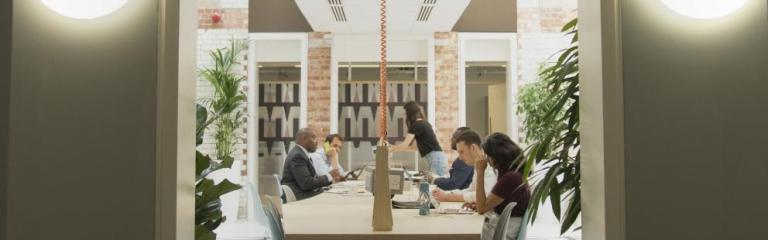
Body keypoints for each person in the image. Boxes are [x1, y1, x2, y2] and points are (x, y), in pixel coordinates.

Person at [456, 131, 530, 239]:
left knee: (461, 231)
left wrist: (480, 172)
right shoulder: (513, 174)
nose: (487, 160)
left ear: (497, 155)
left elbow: (482, 208)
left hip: (504, 232)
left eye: (488, 156)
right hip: (503, 228)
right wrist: (480, 205)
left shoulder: (511, 178)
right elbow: (487, 204)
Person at [431, 128, 497, 203]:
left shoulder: (489, 165)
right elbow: (470, 190)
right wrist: (446, 194)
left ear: (473, 148)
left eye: (461, 152)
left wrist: (447, 197)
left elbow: (484, 195)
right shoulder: (477, 165)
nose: (460, 158)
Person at [281, 128, 342, 202]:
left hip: (305, 193)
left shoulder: (301, 154)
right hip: (301, 197)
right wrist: (330, 175)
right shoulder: (298, 156)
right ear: (304, 139)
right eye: (314, 138)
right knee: (335, 198)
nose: (317, 142)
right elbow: (306, 183)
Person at [389, 101, 448, 177]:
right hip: (438, 159)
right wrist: (394, 148)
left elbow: (405, 144)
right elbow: (414, 147)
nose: (406, 115)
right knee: (435, 185)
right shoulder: (423, 123)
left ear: (410, 113)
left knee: (436, 186)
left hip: (436, 160)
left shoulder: (417, 125)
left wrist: (390, 150)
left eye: (406, 113)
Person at [432, 127, 474, 191]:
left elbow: (453, 184)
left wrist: (434, 180)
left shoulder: (464, 160)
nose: (452, 139)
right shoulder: (465, 158)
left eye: (454, 137)